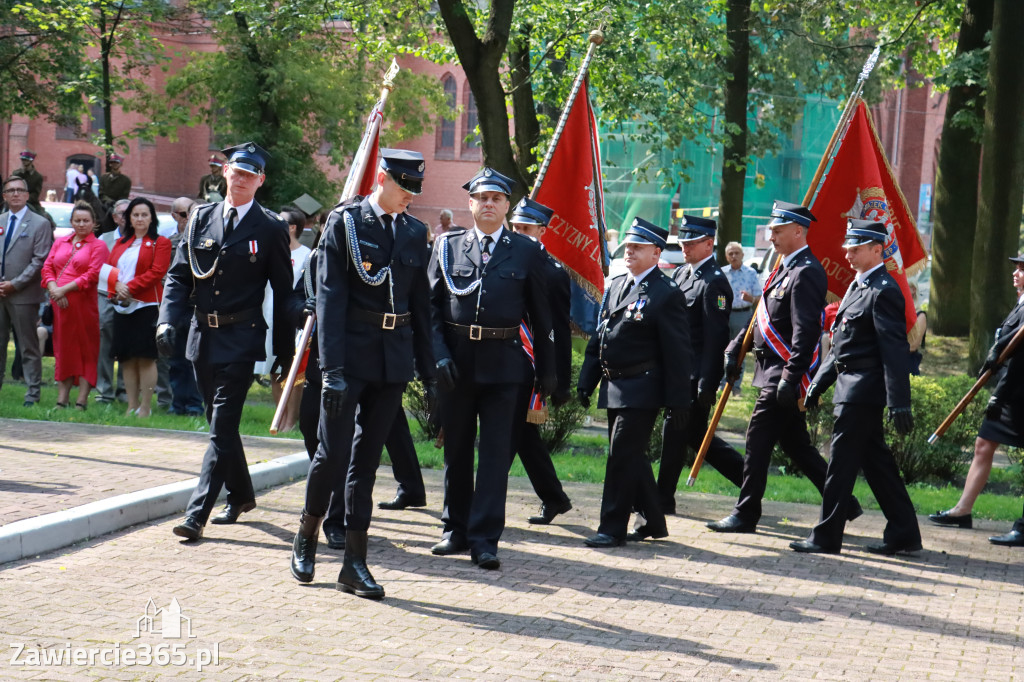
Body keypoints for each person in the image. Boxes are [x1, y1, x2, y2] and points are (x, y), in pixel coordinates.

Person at [288, 149, 435, 599]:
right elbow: (330, 299)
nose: (409, 198)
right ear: (383, 177)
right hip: (348, 357)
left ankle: (354, 563)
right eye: (403, 188)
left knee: (366, 464)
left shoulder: (413, 232)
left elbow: (420, 307)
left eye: (415, 191)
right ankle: (307, 536)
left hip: (391, 361)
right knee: (331, 456)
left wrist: (429, 375)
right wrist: (330, 370)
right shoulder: (346, 223)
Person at [157, 142, 299, 542]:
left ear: (260, 181)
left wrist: (286, 353)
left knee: (221, 426)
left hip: (241, 336)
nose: (240, 179)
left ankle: (196, 514)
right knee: (219, 422)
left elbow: (283, 291)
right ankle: (241, 494)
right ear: (225, 173)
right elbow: (178, 276)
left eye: (249, 174)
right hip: (202, 335)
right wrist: (168, 321)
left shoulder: (270, 227)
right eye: (236, 171)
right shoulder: (201, 217)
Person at [708, 200, 862, 535]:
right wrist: (735, 349)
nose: (771, 235)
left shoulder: (806, 272)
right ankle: (844, 504)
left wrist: (790, 380)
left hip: (782, 375)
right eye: (771, 230)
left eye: (778, 230)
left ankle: (746, 513)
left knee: (756, 440)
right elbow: (760, 317)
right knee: (796, 447)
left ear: (798, 231)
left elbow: (805, 332)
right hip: (771, 371)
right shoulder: (782, 267)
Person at [427, 167, 555, 570]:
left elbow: (542, 316)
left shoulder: (526, 251)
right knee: (458, 451)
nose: (488, 204)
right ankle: (456, 529)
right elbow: (430, 310)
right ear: (470, 203)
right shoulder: (447, 247)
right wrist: (438, 356)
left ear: (507, 206)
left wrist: (547, 373)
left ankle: (485, 539)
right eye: (482, 198)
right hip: (457, 366)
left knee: (496, 456)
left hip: (506, 368)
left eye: (496, 199)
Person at [791, 219, 919, 555]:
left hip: (862, 391)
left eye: (856, 248)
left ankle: (826, 536)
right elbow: (840, 346)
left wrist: (899, 402)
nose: (848, 253)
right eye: (848, 247)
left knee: (841, 466)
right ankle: (904, 531)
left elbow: (893, 351)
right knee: (876, 463)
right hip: (849, 387)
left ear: (877, 250)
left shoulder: (884, 290)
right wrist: (817, 384)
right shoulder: (858, 286)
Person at [577, 218, 689, 547]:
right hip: (615, 386)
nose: (630, 251)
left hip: (644, 387)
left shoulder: (665, 294)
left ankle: (612, 528)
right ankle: (654, 520)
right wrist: (588, 379)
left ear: (656, 253)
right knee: (631, 456)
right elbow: (602, 337)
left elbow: (678, 353)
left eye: (638, 247)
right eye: (628, 246)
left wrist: (679, 400)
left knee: (621, 455)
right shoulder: (617, 285)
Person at [930, 254, 1024, 546]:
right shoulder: (1020, 305)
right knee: (983, 444)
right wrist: (994, 355)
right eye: (1017, 268)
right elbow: (1007, 345)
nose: (1016, 273)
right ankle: (962, 511)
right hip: (1009, 390)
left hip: (1018, 393)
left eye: (1022, 269)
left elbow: (1022, 361)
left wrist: (999, 393)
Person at [657, 216, 745, 514]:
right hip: (675, 372)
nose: (685, 247)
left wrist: (709, 383)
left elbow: (716, 337)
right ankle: (750, 481)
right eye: (683, 242)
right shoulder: (682, 274)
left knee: (675, 432)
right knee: (695, 436)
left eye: (692, 242)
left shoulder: (715, 283)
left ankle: (662, 500)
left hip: (694, 377)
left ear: (709, 244)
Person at [508, 197, 574, 525]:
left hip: (532, 369)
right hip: (505, 363)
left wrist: (560, 379)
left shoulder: (553, 274)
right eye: (516, 227)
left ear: (542, 231)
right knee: (521, 436)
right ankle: (554, 497)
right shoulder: (505, 261)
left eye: (526, 228)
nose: (519, 232)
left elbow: (558, 331)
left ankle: (480, 504)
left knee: (510, 434)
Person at [104, 197, 172, 417]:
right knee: (126, 357)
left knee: (145, 356)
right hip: (122, 306)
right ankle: (131, 406)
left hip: (147, 305)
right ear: (129, 219)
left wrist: (129, 288)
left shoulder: (161, 242)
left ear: (152, 217)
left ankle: (145, 407)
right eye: (135, 215)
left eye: (144, 214)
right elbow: (109, 270)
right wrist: (117, 289)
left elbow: (156, 272)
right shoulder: (120, 243)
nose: (140, 218)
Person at [40, 201, 109, 408]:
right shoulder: (60, 242)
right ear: (71, 222)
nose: (81, 224)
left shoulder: (99, 246)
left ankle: (81, 400)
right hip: (60, 306)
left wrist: (64, 289)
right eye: (77, 220)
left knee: (86, 349)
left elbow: (92, 274)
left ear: (94, 223)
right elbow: (47, 267)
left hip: (84, 306)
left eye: (85, 220)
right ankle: (62, 398)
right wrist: (54, 289)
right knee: (64, 350)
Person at [0, 176, 53, 406]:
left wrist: (15, 284)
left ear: (27, 195)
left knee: (28, 345)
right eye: (10, 190)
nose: (15, 194)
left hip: (23, 294)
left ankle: (32, 393)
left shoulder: (39, 223)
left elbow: (39, 261)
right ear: (4, 196)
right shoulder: (0, 220)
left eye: (20, 190)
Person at [262, 206, 310, 431]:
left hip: (294, 319)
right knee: (275, 369)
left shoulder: (307, 255)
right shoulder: (270, 251)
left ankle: (292, 420)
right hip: (270, 317)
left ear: (291, 228)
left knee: (294, 370)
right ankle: (279, 418)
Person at [163, 197, 204, 416]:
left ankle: (195, 405)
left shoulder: (213, 241)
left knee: (197, 359)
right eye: (190, 214)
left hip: (202, 308)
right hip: (181, 308)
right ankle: (178, 404)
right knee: (178, 359)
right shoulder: (173, 243)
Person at [95, 200, 130, 404]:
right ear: (115, 217)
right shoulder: (104, 239)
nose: (128, 217)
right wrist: (116, 285)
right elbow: (98, 267)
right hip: (105, 296)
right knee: (104, 346)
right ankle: (104, 392)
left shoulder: (140, 240)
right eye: (124, 214)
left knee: (127, 345)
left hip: (132, 298)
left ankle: (124, 392)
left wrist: (126, 289)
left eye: (131, 213)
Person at [722, 241, 761, 395]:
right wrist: (722, 304)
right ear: (726, 256)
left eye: (736, 253)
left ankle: (735, 386)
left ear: (742, 255)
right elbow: (719, 296)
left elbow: (760, 299)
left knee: (739, 351)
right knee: (724, 350)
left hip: (744, 314)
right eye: (730, 253)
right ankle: (722, 383)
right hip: (726, 315)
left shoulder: (751, 273)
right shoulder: (722, 273)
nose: (734, 256)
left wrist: (750, 298)